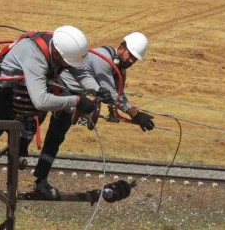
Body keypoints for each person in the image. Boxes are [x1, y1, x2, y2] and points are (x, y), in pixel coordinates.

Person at [32, 32, 154, 198]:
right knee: (32, 121)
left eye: (135, 59)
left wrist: (119, 110)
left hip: (74, 99)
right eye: (130, 55)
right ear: (121, 48)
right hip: (56, 87)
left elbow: (113, 94)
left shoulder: (118, 70)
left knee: (55, 139)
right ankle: (19, 154)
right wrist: (134, 113)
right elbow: (111, 92)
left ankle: (40, 180)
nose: (131, 61)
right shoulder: (103, 59)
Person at [0, 25, 103, 157]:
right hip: (1, 92)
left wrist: (98, 90)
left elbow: (80, 72)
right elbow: (40, 101)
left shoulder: (61, 48)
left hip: (23, 94)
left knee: (31, 126)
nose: (69, 66)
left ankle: (19, 145)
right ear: (57, 54)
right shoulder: (35, 56)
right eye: (68, 62)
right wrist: (77, 101)